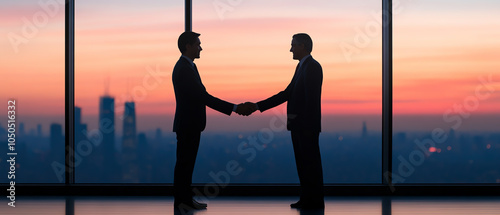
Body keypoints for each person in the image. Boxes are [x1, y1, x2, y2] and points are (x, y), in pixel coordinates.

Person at [172, 31, 255, 210]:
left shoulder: (187, 67)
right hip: (188, 125)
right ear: (188, 46)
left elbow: (201, 96)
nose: (201, 47)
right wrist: (234, 108)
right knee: (185, 165)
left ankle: (184, 200)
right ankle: (183, 201)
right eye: (197, 44)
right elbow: (204, 97)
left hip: (189, 124)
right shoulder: (185, 69)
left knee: (185, 165)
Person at [245, 33, 324, 209]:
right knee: (304, 165)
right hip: (300, 126)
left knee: (310, 164)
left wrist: (305, 124)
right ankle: (308, 199)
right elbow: (287, 94)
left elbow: (311, 100)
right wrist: (258, 106)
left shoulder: (312, 67)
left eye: (293, 45)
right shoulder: (302, 67)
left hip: (306, 127)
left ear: (303, 46)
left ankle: (315, 201)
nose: (291, 49)